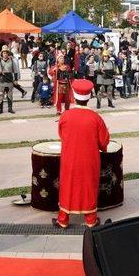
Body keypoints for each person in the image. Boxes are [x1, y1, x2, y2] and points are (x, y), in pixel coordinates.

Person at [53, 80, 110, 229]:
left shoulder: (65, 116)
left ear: (74, 95)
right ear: (89, 96)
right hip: (89, 158)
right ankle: (91, 219)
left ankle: (63, 219)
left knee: (68, 185)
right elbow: (104, 141)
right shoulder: (96, 118)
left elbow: (61, 135)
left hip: (69, 158)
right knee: (88, 186)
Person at [0, 46, 16, 115]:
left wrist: (16, 80)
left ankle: (10, 108)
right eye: (4, 53)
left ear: (8, 54)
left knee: (10, 95)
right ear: (2, 54)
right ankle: (0, 109)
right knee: (1, 96)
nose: (5, 54)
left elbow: (15, 71)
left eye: (6, 53)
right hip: (1, 80)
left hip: (9, 80)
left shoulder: (12, 61)